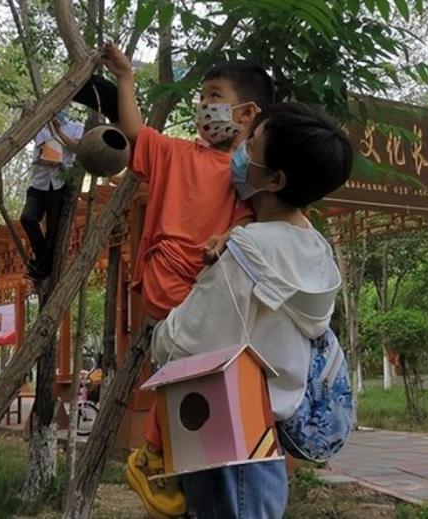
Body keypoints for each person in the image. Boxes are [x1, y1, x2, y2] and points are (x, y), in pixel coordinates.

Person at [150, 102, 353, 518]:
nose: (240, 149)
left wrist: (158, 324)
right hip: (268, 445)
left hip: (225, 446)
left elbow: (183, 344)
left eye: (251, 144)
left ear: (275, 178)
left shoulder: (247, 251)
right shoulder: (316, 250)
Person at [99, 42, 275, 517]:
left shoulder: (250, 179)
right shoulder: (176, 153)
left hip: (211, 291)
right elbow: (134, 131)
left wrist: (227, 235)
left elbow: (251, 224)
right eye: (201, 98)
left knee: (196, 376)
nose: (203, 107)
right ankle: (157, 453)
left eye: (213, 96)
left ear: (246, 113)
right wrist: (126, 78)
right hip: (169, 282)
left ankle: (163, 459)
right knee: (190, 368)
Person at [19, 111, 84, 280]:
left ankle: (42, 269)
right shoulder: (41, 127)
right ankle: (42, 262)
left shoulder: (75, 128)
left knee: (53, 231)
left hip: (59, 184)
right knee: (27, 218)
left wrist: (58, 131)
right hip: (38, 182)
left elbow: (77, 148)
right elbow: (29, 139)